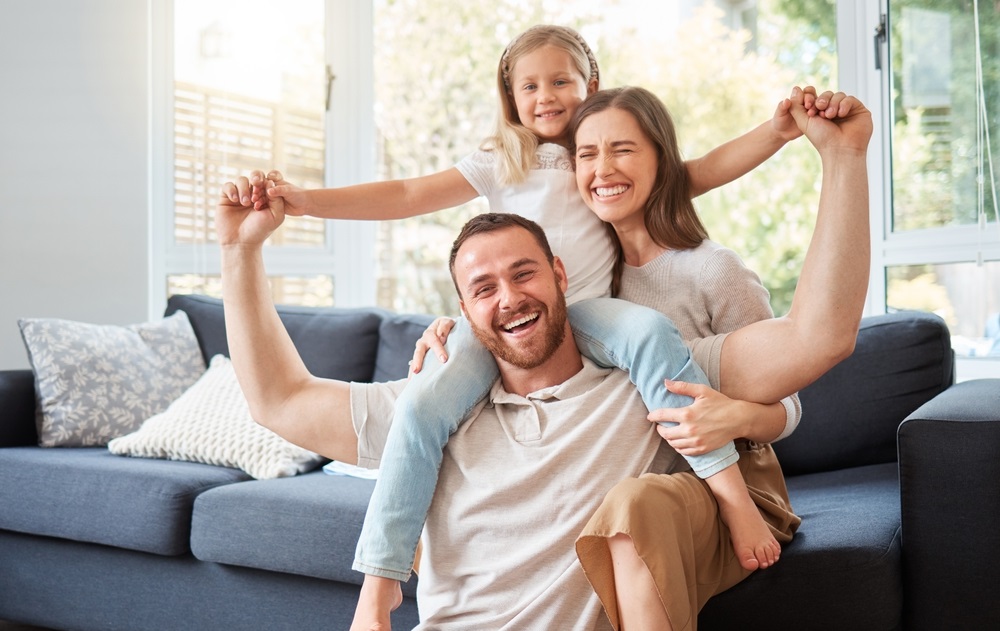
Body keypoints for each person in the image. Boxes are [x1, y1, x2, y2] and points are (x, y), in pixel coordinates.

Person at [218, 84, 872, 629]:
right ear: (460, 312)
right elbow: (280, 400)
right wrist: (242, 253)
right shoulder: (443, 397)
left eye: (525, 273)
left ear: (564, 274)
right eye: (482, 288)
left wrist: (841, 159)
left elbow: (817, 336)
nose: (508, 298)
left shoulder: (651, 376)